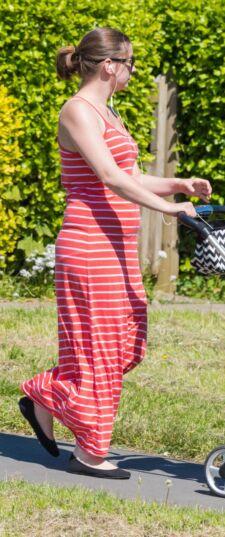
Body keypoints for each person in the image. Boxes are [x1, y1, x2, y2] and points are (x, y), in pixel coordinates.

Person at [19, 27, 212, 480]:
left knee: (128, 343)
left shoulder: (108, 112)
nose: (132, 71)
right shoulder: (78, 112)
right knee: (99, 348)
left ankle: (46, 395)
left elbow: (132, 176)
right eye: (129, 63)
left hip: (117, 248)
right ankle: (90, 451)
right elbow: (109, 177)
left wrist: (177, 185)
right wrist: (170, 208)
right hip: (89, 246)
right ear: (110, 65)